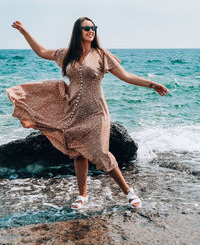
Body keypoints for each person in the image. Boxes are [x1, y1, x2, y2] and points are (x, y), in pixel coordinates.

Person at [6, 17, 168, 210]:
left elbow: (125, 76)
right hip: (73, 110)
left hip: (97, 111)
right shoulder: (66, 54)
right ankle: (82, 195)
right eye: (87, 28)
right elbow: (41, 52)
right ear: (78, 31)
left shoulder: (101, 55)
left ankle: (128, 191)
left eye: (93, 28)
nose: (91, 31)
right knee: (78, 153)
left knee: (101, 153)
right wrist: (24, 31)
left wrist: (151, 84)